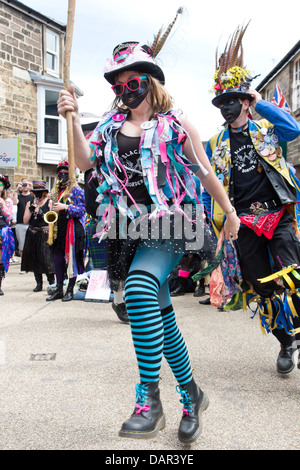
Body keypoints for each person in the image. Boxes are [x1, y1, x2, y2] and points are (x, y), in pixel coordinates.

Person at [57, 13, 240, 442]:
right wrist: (73, 117)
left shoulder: (176, 124)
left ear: (150, 82)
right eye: (118, 87)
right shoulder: (108, 126)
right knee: (157, 312)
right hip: (128, 226)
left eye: (132, 84)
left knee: (138, 290)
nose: (125, 92)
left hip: (174, 221)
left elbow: (206, 172)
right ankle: (192, 394)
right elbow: (86, 163)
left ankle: (149, 399)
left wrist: (229, 212)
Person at [202, 23, 300, 374]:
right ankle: (285, 342)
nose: (226, 109)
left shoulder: (267, 128)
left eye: (233, 101)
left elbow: (295, 129)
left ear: (245, 102)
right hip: (242, 222)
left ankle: (298, 331)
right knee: (263, 286)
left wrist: (262, 105)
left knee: (292, 276)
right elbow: (208, 183)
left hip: (278, 215)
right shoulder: (214, 143)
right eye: (221, 104)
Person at [46, 160, 86, 302]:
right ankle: (59, 289)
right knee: (57, 258)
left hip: (72, 228)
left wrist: (66, 207)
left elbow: (82, 210)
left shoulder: (77, 190)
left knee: (71, 260)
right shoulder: (56, 190)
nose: (62, 175)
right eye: (60, 173)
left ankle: (70, 289)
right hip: (59, 227)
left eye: (66, 172)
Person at [21, 181, 55, 292]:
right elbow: (25, 220)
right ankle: (38, 283)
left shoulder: (49, 202)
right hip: (32, 232)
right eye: (35, 193)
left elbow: (52, 219)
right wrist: (31, 210)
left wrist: (40, 212)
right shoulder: (30, 203)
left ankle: (51, 282)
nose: (38, 195)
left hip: (44, 233)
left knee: (46, 259)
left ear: (44, 192)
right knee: (34, 258)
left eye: (39, 192)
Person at [14, 178, 34, 267]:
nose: (25, 186)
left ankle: (31, 263)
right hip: (20, 223)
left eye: (26, 184)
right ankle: (24, 264)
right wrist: (17, 189)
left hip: (31, 223)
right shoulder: (18, 196)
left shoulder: (32, 197)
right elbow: (14, 202)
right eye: (23, 184)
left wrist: (32, 187)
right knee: (21, 245)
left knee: (31, 245)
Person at [0, 175, 15, 295]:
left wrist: (2, 205)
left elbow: (10, 218)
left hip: (2, 232)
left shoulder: (7, 201)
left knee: (1, 259)